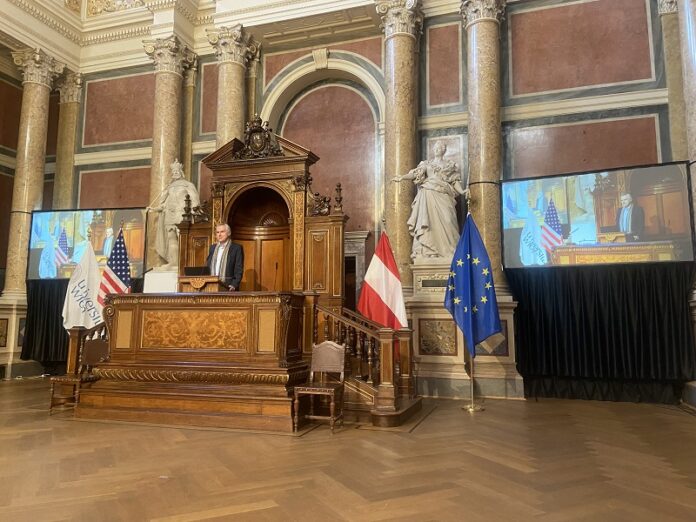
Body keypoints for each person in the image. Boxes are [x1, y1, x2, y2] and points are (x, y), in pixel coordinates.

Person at [393, 140, 467, 260]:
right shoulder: (426, 164)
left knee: (448, 220)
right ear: (433, 150)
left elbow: (455, 181)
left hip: (444, 196)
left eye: (441, 147)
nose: (438, 149)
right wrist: (403, 177)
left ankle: (451, 252)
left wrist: (462, 191)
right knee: (427, 224)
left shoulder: (450, 165)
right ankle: (430, 251)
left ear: (444, 150)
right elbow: (415, 174)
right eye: (436, 147)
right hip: (428, 195)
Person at [148, 159, 200, 270]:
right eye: (173, 172)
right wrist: (154, 209)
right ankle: (174, 263)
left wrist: (194, 213)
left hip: (182, 214)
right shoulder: (170, 187)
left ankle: (185, 262)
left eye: (177, 171)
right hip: (170, 214)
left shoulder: (188, 185)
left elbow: (195, 201)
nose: (175, 173)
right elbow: (164, 204)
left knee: (183, 238)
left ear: (181, 172)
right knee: (171, 238)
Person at [206, 223, 244, 291]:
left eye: (222, 232)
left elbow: (238, 269)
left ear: (229, 233)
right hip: (211, 286)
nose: (219, 234)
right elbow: (208, 266)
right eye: (217, 232)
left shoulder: (236, 248)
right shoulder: (212, 248)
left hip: (228, 287)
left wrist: (234, 285)